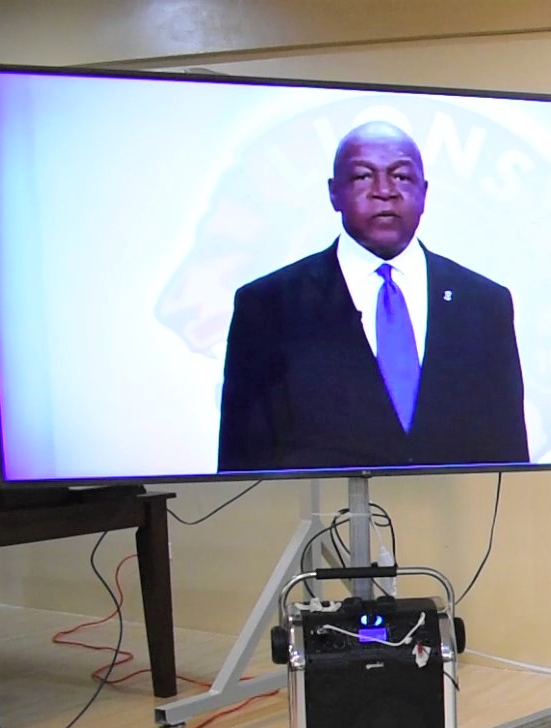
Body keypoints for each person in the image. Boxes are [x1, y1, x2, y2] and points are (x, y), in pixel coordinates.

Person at [217, 122, 529, 472]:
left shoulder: (485, 304)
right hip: (321, 519)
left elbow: (510, 454)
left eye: (401, 177)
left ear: (424, 192)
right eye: (364, 176)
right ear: (334, 193)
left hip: (457, 520)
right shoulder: (267, 306)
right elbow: (240, 461)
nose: (384, 191)